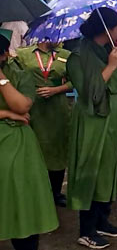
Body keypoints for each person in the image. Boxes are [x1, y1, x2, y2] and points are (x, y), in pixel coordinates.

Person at [66, 7, 117, 249]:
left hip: (115, 120)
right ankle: (86, 229)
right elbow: (89, 93)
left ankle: (103, 220)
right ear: (104, 28)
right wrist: (111, 66)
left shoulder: (109, 51)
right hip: (94, 122)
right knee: (91, 171)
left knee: (109, 170)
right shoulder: (78, 56)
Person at [0, 28, 59, 250]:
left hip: (16, 140)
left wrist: (0, 78)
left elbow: (23, 105)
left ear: (5, 55)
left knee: (23, 194)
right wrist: (6, 114)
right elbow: (15, 111)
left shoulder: (20, 74)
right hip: (9, 124)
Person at [12, 39, 72, 206]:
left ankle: (56, 193)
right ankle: (34, 193)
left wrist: (56, 89)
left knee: (57, 150)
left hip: (57, 109)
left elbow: (75, 80)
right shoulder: (23, 54)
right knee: (33, 149)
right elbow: (14, 76)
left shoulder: (66, 55)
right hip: (32, 107)